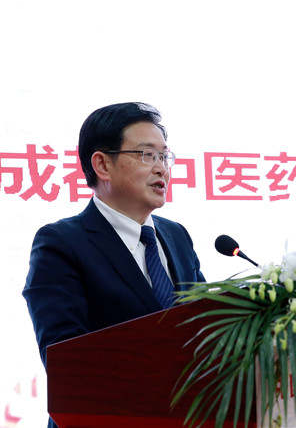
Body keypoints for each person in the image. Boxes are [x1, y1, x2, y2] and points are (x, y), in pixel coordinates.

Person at [23, 102, 205, 370]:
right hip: (115, 397)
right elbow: (66, 360)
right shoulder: (60, 244)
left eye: (164, 157)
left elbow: (205, 327)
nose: (162, 169)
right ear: (103, 165)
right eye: (147, 155)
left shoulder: (177, 236)